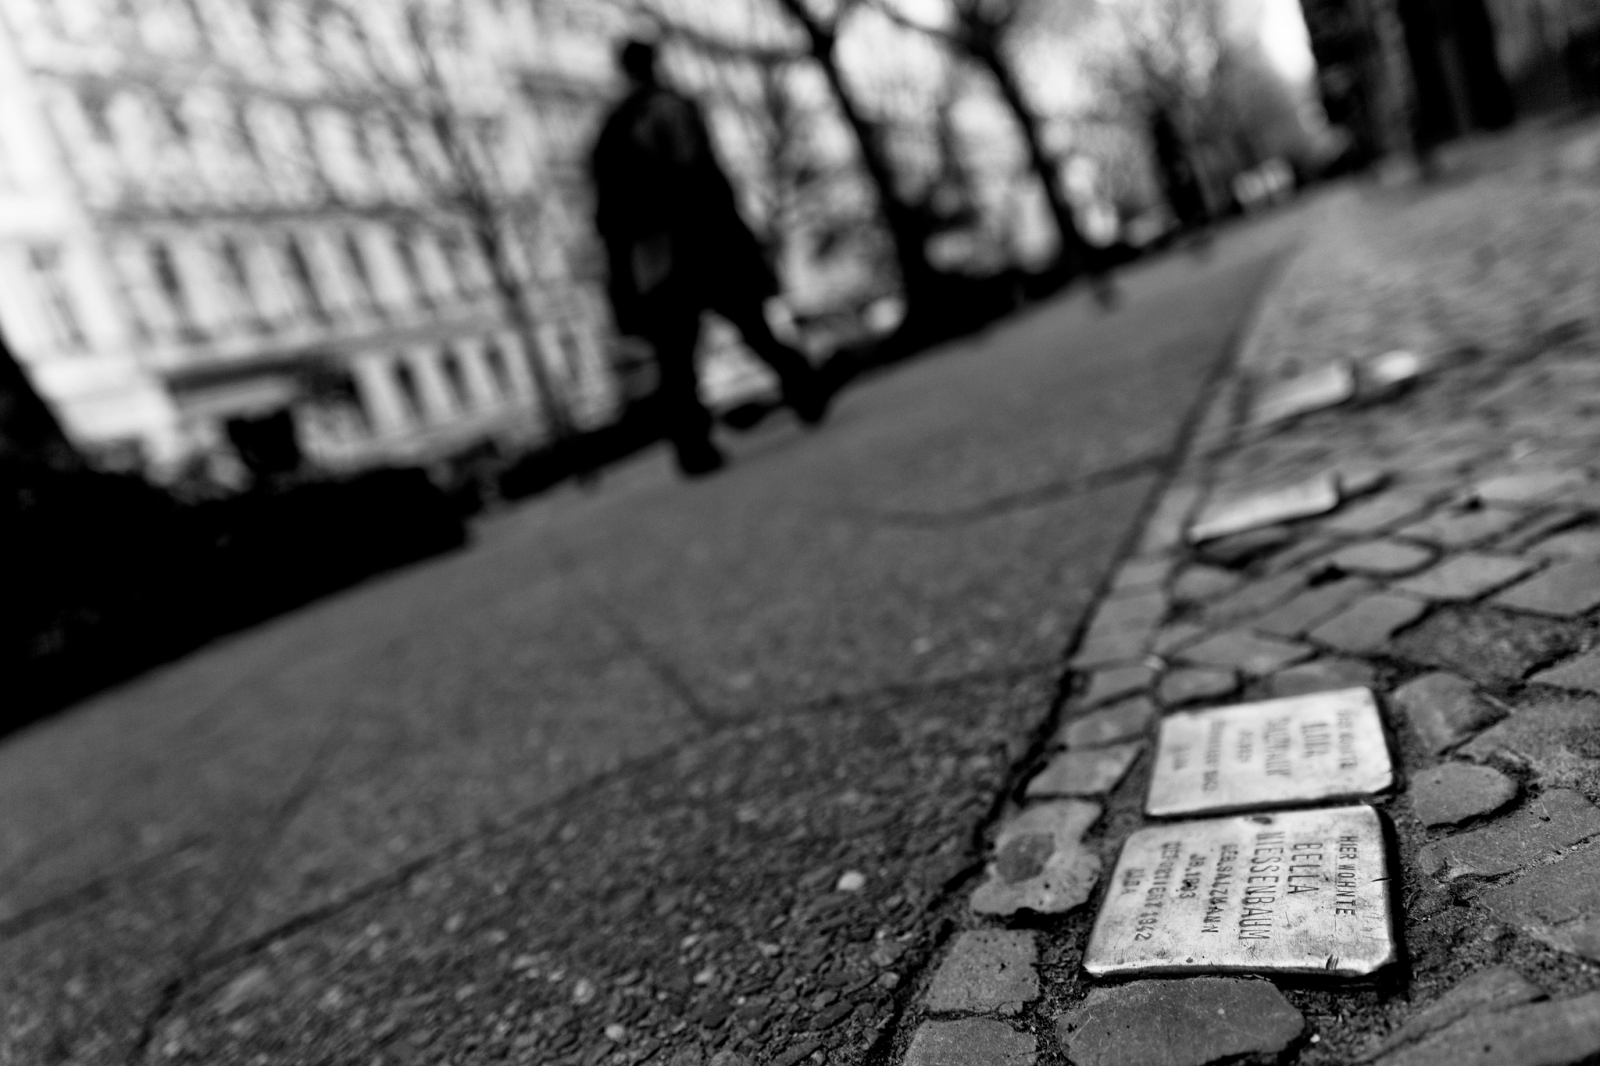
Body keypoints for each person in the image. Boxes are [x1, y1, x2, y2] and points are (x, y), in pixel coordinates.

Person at [591, 39, 829, 477]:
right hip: (702, 244)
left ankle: (693, 448)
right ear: (653, 64)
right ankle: (804, 390)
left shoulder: (614, 126)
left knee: (676, 359)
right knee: (750, 327)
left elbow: (607, 213)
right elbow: (699, 171)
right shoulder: (668, 108)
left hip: (655, 259)